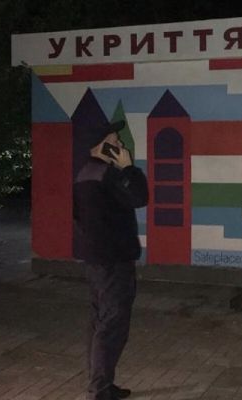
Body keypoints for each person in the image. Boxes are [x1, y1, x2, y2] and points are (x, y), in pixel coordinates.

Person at [73, 120, 148, 400]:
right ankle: (100, 389)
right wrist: (128, 168)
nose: (121, 145)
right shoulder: (107, 174)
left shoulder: (85, 173)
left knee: (99, 320)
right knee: (112, 324)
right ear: (102, 146)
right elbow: (140, 197)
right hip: (113, 260)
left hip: (96, 259)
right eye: (115, 141)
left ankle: (100, 382)